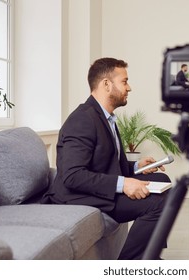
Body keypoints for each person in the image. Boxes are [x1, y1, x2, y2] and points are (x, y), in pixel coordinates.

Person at [42, 57, 171, 260]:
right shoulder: (83, 119)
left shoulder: (106, 117)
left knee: (163, 182)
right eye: (125, 81)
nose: (129, 88)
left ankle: (149, 253)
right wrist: (124, 184)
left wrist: (136, 166)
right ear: (106, 84)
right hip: (76, 197)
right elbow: (72, 176)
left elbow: (104, 161)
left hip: (94, 189)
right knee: (159, 203)